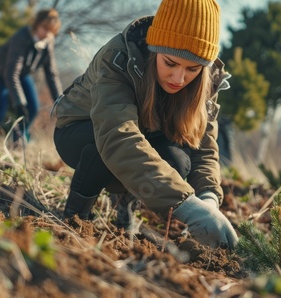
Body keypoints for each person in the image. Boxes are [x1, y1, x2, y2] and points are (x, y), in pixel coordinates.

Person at [51, 0, 237, 249]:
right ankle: (74, 217)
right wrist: (186, 206)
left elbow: (204, 146)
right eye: (170, 63)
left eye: (192, 68)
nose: (179, 78)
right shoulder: (119, 57)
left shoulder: (206, 80)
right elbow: (117, 136)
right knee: (100, 146)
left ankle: (125, 208)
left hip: (141, 136)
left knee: (178, 161)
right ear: (154, 49)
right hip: (81, 131)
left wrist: (208, 201)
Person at [0, 8, 63, 141]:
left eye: (51, 31)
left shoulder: (48, 42)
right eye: (44, 28)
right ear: (37, 24)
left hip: (22, 74)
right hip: (0, 71)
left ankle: (18, 141)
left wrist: (60, 101)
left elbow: (51, 74)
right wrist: (19, 103)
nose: (47, 33)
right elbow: (11, 73)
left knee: (33, 108)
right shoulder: (22, 37)